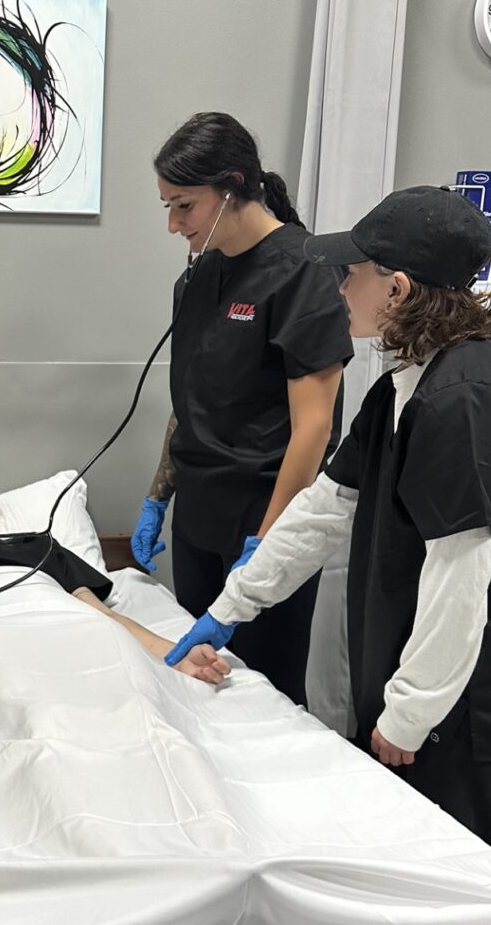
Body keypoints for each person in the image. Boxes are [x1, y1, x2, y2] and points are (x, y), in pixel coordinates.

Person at [165, 185, 491, 848]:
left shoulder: (462, 402)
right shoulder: (403, 388)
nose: (339, 287)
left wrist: (410, 711)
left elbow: (461, 574)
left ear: (398, 289)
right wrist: (231, 606)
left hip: (468, 712)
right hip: (431, 698)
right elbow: (325, 508)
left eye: (352, 274)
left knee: (446, 883)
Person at [131, 112, 353, 706]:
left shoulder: (304, 273)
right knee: (196, 686)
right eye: (167, 208)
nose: (174, 224)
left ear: (231, 187)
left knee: (266, 700)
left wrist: (267, 544)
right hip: (200, 519)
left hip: (265, 518)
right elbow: (190, 401)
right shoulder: (197, 280)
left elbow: (315, 426)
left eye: (184, 206)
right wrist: (159, 495)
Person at [0, 461, 231, 722]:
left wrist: (175, 655)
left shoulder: (38, 545)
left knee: (131, 704)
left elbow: (102, 617)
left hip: (73, 630)